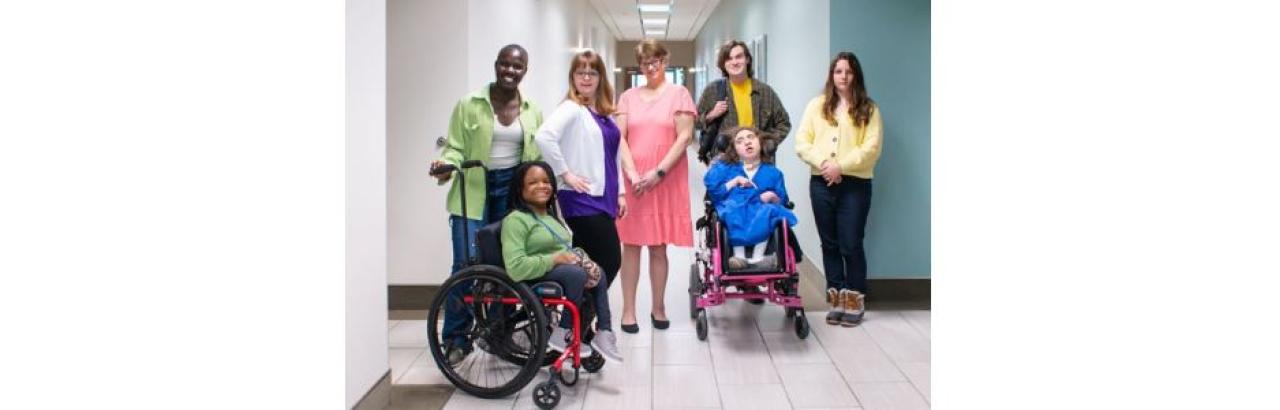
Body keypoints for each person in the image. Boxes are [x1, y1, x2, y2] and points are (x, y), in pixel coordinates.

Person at [431, 44, 544, 362]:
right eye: (505, 64)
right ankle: (456, 338)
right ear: (496, 65)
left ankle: (496, 332)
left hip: (511, 193)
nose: (510, 70)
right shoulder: (469, 104)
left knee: (505, 267)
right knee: (465, 266)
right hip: (473, 190)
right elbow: (453, 148)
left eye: (517, 66)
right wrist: (445, 165)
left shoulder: (532, 109)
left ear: (525, 71)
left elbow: (536, 156)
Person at [500, 161, 623, 362]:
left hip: (557, 269)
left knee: (598, 272)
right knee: (577, 274)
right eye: (533, 183)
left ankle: (604, 332)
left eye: (546, 181)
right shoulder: (515, 220)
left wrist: (576, 256)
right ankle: (563, 331)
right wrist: (556, 259)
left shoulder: (548, 217)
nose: (542, 186)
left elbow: (559, 247)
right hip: (533, 275)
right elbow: (515, 267)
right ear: (520, 189)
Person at [795, 51, 883, 327]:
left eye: (848, 71)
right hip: (821, 183)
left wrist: (839, 166)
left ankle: (855, 301)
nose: (843, 76)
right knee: (829, 244)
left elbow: (871, 149)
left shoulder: (869, 109)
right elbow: (802, 142)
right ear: (831, 75)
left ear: (855, 75)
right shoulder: (816, 106)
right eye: (838, 71)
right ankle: (836, 300)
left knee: (851, 243)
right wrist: (824, 163)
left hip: (855, 185)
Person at [614, 39, 696, 333]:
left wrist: (658, 172)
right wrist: (633, 172)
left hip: (664, 179)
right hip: (634, 182)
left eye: (656, 61)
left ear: (665, 61)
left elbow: (684, 137)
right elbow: (619, 137)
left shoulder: (679, 95)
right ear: (640, 66)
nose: (651, 67)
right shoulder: (627, 97)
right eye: (645, 63)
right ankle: (627, 311)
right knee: (631, 246)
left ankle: (658, 307)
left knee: (659, 247)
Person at [703, 126, 798, 270]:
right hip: (734, 212)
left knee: (770, 211)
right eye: (740, 141)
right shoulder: (725, 168)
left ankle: (758, 259)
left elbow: (782, 201)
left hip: (763, 214)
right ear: (734, 149)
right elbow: (715, 192)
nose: (747, 142)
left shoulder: (773, 173)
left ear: (761, 142)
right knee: (733, 208)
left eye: (751, 138)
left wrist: (772, 197)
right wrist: (734, 181)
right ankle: (738, 257)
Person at [695, 40, 791, 165]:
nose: (734, 62)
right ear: (723, 65)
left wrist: (766, 143)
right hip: (725, 162)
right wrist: (711, 115)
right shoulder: (713, 90)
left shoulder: (764, 91)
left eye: (739, 57)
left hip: (760, 162)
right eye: (729, 59)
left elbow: (783, 123)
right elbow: (695, 122)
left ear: (747, 60)